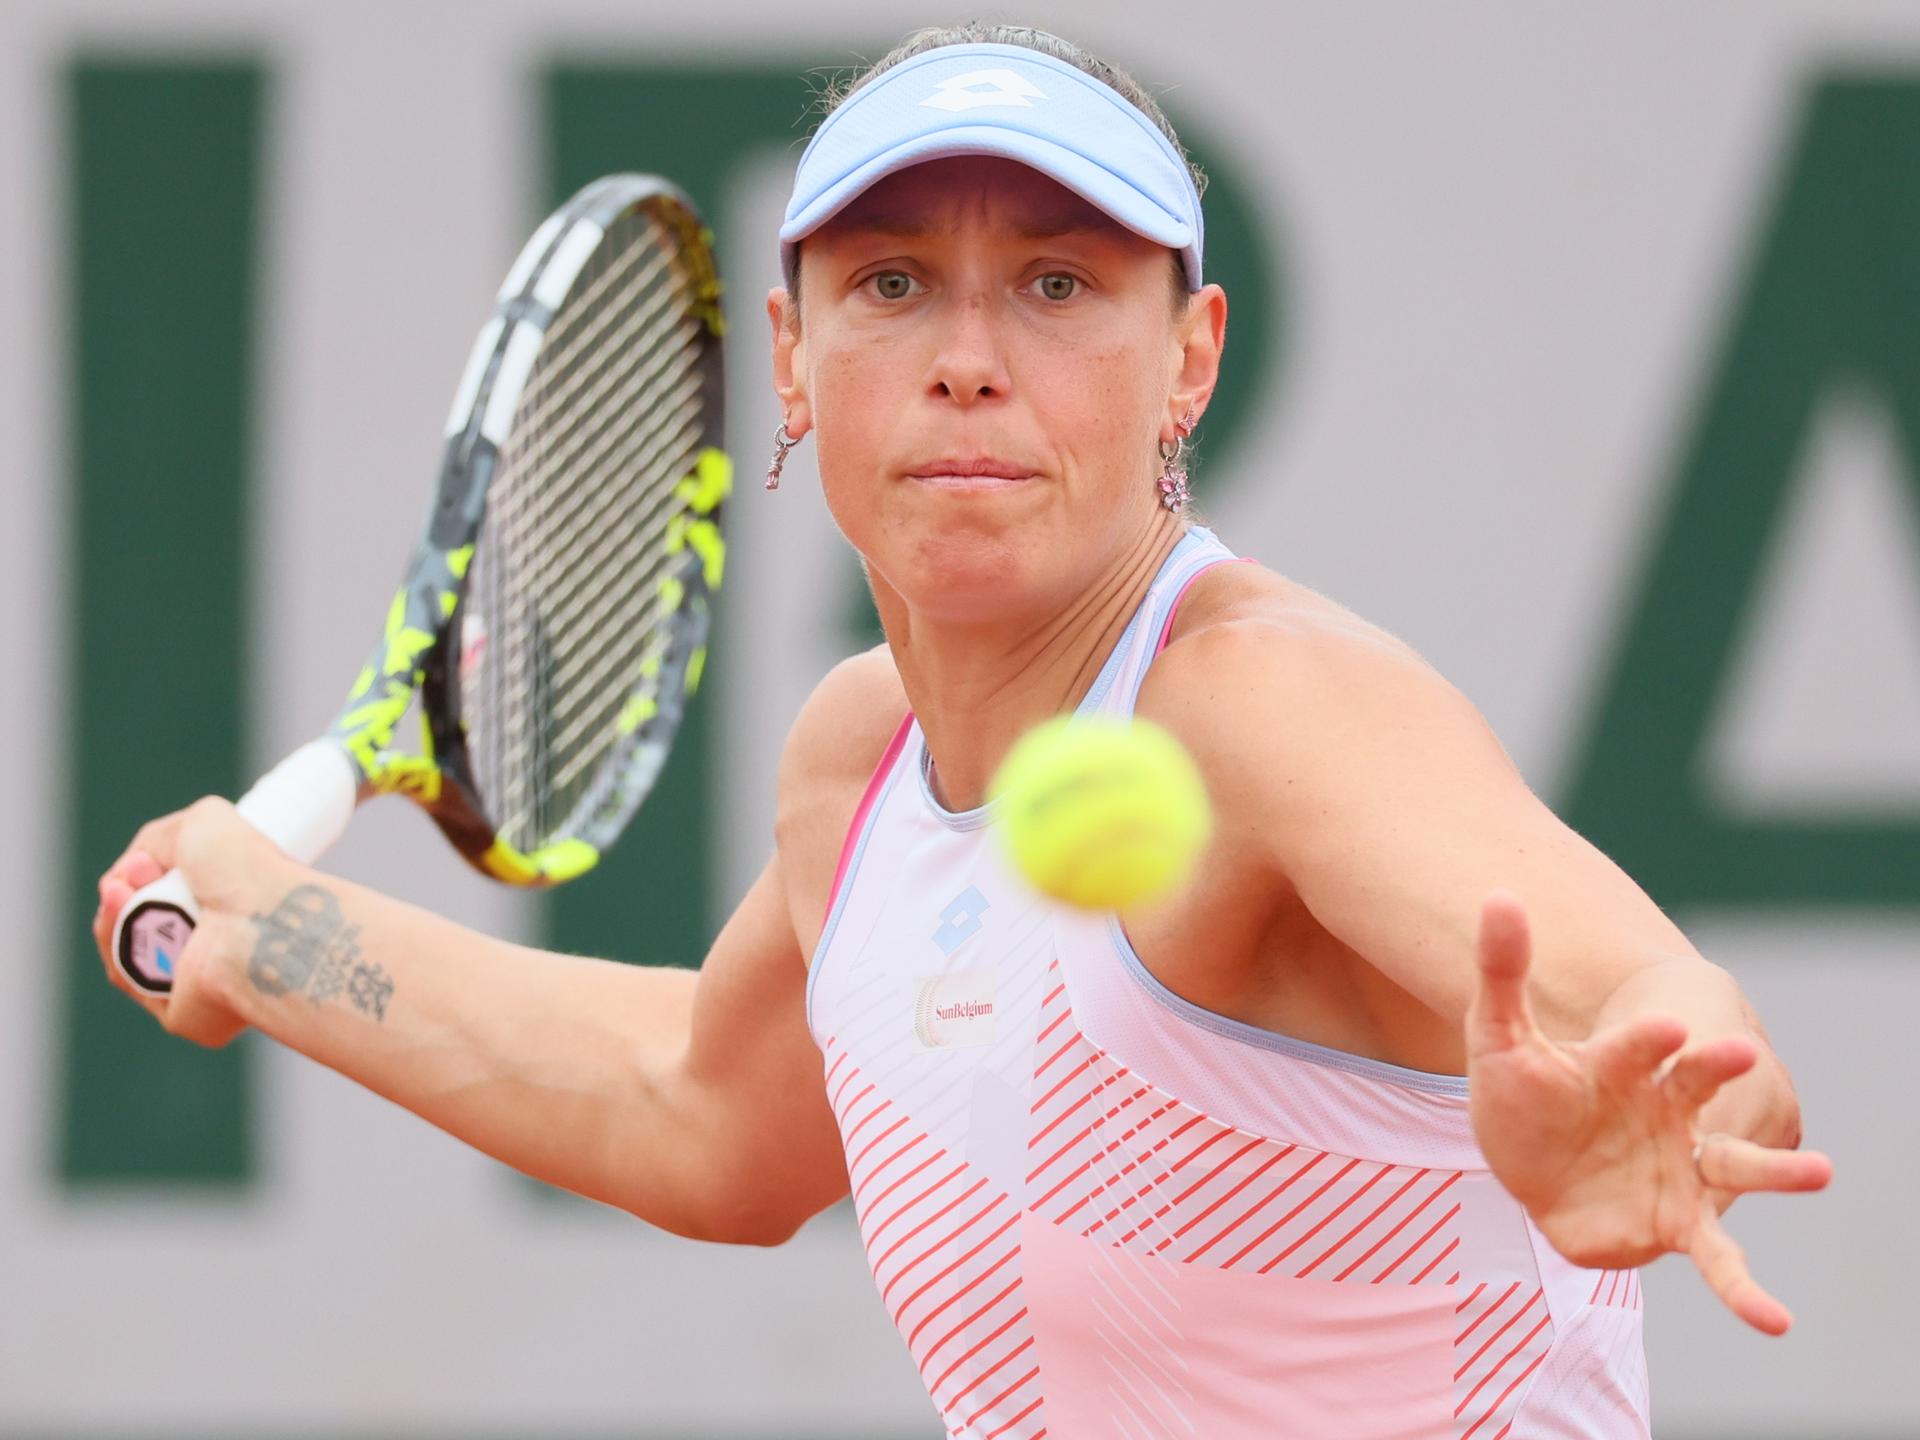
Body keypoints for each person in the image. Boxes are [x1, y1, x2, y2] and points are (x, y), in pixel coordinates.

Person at [94, 23, 1830, 1439]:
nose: (970, 359)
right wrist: (277, 936)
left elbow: (1660, 1006)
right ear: (791, 356)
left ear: (1192, 360)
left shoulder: (1266, 700)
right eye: (896, 283)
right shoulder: (859, 762)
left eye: (1062, 286)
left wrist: (1663, 1097)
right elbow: (707, 1115)